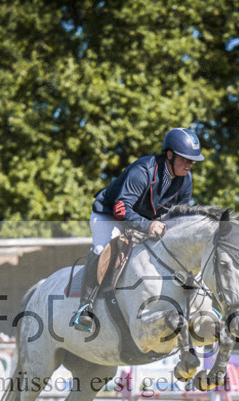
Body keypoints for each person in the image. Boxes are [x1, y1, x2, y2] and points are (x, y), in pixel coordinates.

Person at [70, 127, 205, 332]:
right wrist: (147, 225)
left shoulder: (185, 179)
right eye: (185, 159)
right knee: (102, 248)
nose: (190, 164)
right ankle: (85, 308)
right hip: (110, 215)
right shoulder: (143, 170)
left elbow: (179, 215)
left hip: (146, 220)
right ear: (169, 155)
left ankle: (196, 304)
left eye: (192, 161)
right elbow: (121, 208)